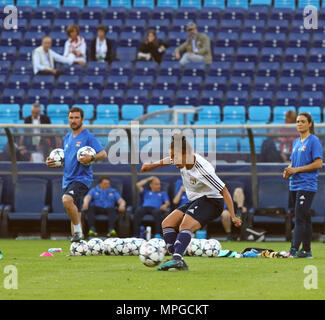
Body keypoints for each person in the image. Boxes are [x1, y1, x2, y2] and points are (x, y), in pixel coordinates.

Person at [141, 133, 242, 270]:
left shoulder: (203, 169)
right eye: (172, 157)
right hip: (197, 200)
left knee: (185, 225)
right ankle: (175, 256)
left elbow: (224, 191)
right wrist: (152, 166)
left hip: (212, 202)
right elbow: (167, 160)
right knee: (167, 223)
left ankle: (177, 259)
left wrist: (233, 216)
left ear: (186, 154)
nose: (173, 160)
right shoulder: (181, 159)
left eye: (174, 157)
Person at [46, 107, 107, 242]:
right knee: (75, 212)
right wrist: (53, 161)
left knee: (67, 200)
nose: (73, 121)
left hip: (81, 179)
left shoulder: (88, 136)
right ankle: (77, 246)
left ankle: (78, 232)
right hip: (67, 179)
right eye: (71, 118)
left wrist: (91, 158)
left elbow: (103, 154)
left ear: (82, 119)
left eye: (76, 118)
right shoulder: (67, 137)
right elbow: (65, 158)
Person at [283, 112, 323, 258]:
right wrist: (288, 170)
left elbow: (318, 163)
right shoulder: (296, 142)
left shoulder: (314, 141)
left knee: (299, 217)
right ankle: (307, 251)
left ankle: (293, 250)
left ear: (310, 124)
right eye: (298, 121)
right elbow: (293, 162)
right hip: (294, 184)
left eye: (303, 121)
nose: (299, 124)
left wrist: (297, 169)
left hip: (307, 185)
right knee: (305, 218)